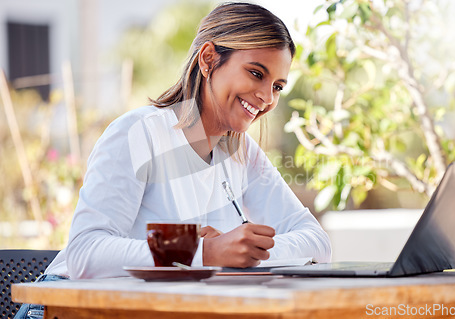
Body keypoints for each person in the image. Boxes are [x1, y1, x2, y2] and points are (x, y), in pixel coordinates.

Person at [15, 2, 331, 318]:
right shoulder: (137, 133)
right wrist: (200, 249)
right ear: (208, 59)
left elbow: (316, 242)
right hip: (64, 306)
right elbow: (86, 252)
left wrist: (244, 251)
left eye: (277, 86)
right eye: (256, 73)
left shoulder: (242, 152)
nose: (267, 97)